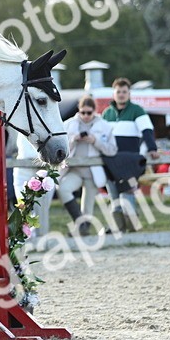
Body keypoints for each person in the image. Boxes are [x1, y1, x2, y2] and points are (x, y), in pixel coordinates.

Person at [102, 77, 160, 231]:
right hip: (111, 162)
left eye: (124, 92)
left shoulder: (137, 110)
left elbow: (147, 131)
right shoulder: (107, 114)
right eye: (118, 92)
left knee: (128, 194)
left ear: (129, 93)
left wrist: (152, 148)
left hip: (129, 162)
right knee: (114, 196)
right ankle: (117, 228)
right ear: (114, 94)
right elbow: (101, 136)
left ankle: (133, 228)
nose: (121, 94)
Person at [57, 95, 117, 236]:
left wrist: (95, 141)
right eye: (82, 112)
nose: (85, 116)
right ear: (79, 110)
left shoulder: (104, 125)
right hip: (74, 170)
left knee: (87, 207)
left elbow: (112, 150)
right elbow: (61, 148)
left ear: (95, 111)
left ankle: (82, 231)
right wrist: (73, 140)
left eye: (89, 113)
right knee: (62, 189)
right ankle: (81, 223)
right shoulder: (68, 124)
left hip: (93, 172)